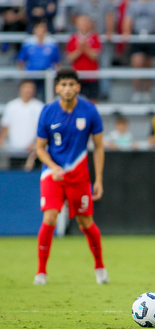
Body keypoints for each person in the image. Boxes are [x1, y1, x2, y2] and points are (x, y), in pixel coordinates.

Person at [34, 68, 108, 286]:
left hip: (79, 176)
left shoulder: (89, 111)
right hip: (52, 175)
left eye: (71, 84)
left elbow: (99, 147)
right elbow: (39, 148)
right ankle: (41, 272)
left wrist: (99, 180)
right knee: (49, 218)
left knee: (85, 222)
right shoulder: (48, 112)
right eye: (63, 85)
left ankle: (100, 267)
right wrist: (53, 166)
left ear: (78, 87)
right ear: (57, 88)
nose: (67, 88)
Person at [123, 0, 155, 103]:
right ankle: (137, 91)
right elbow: (127, 20)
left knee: (149, 64)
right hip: (137, 35)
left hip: (151, 35)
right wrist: (126, 32)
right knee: (137, 62)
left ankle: (147, 92)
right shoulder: (133, 4)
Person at [0, 80, 44, 169]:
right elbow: (5, 127)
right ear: (20, 90)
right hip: (14, 151)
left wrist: (35, 143)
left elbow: (42, 129)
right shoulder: (11, 106)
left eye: (31, 88)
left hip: (33, 152)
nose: (28, 90)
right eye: (26, 87)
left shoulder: (40, 107)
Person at [16, 20, 61, 100]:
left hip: (47, 75)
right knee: (32, 97)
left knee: (47, 96)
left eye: (43, 29)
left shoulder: (52, 43)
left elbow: (57, 62)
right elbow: (20, 60)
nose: (41, 31)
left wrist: (57, 77)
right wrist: (22, 74)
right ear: (34, 30)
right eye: (38, 28)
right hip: (31, 75)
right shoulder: (28, 43)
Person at [66, 15, 102, 103]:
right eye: (81, 24)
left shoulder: (95, 37)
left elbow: (95, 56)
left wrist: (85, 47)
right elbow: (69, 58)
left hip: (92, 76)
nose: (83, 26)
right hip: (78, 76)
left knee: (92, 102)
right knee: (76, 102)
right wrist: (79, 50)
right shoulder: (73, 38)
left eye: (85, 23)